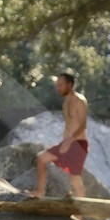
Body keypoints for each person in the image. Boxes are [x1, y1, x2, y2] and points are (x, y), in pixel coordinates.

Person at [28, 70, 89, 198]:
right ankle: (39, 192)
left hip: (78, 144)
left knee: (75, 179)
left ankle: (80, 214)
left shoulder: (80, 101)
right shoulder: (65, 103)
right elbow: (68, 126)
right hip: (67, 143)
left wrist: (69, 141)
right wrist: (63, 143)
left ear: (70, 85)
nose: (58, 88)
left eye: (61, 85)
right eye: (57, 85)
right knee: (41, 158)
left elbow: (83, 125)